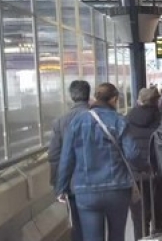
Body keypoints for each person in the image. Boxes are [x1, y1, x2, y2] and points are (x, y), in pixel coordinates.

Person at [56, 83, 144, 241]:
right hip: (117, 189)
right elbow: (132, 153)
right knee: (117, 236)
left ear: (95, 98)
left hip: (86, 191)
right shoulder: (119, 120)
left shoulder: (76, 122)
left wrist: (61, 187)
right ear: (114, 99)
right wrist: (145, 167)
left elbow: (66, 158)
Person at [48, 80, 91, 241]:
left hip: (73, 184)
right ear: (88, 95)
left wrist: (58, 185)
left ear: (71, 97)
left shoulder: (60, 121)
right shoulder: (97, 116)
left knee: (77, 225)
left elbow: (54, 155)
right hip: (96, 181)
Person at [125, 87, 162, 239]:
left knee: (140, 218)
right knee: (160, 215)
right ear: (157, 101)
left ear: (139, 100)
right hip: (160, 173)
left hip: (137, 175)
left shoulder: (127, 120)